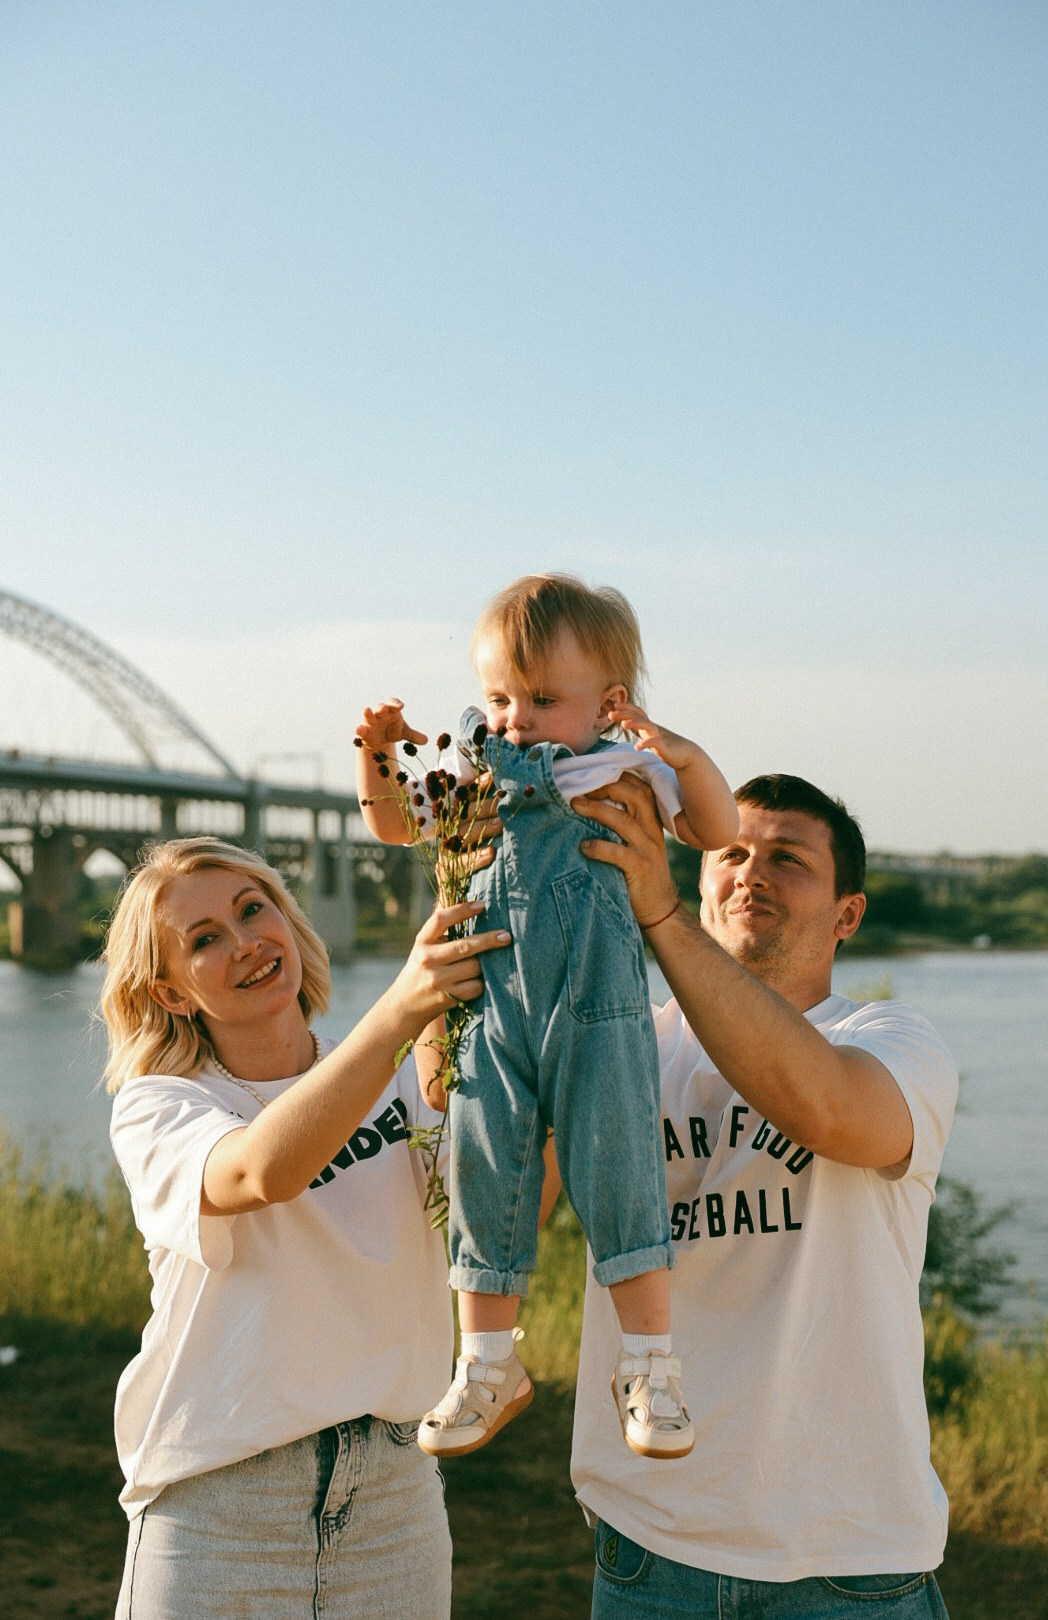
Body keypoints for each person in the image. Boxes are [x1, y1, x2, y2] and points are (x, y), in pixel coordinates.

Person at [355, 574, 738, 1462]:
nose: (516, 719)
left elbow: (715, 827)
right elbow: (395, 826)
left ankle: (650, 1365)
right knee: (483, 1165)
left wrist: (681, 754)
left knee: (621, 1163)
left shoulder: (624, 768)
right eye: (499, 698)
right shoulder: (472, 772)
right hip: (493, 1008)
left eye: (541, 700)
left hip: (598, 1007)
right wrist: (377, 753)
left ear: (609, 705)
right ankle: (487, 1364)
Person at [570, 772, 957, 1619]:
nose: (752, 873)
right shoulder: (622, 1046)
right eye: (733, 853)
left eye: (789, 860)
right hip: (649, 1547)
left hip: (848, 1559)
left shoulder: (892, 1040)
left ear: (847, 914)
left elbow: (828, 1109)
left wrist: (662, 918)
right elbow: (505, 1208)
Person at [100, 835, 509, 1620]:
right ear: (172, 993)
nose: (246, 942)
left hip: (396, 1496)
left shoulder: (401, 1072)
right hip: (220, 1507)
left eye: (254, 910)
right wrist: (402, 1009)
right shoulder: (162, 1104)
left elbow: (491, 1208)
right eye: (205, 939)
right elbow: (262, 1172)